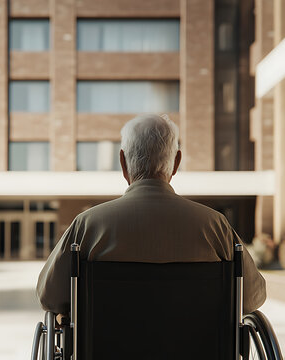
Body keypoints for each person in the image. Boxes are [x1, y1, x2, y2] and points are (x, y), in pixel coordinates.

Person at [37, 113, 266, 317]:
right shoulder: (215, 226)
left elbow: (50, 296)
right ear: (176, 162)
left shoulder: (87, 226)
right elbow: (252, 297)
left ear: (122, 163)